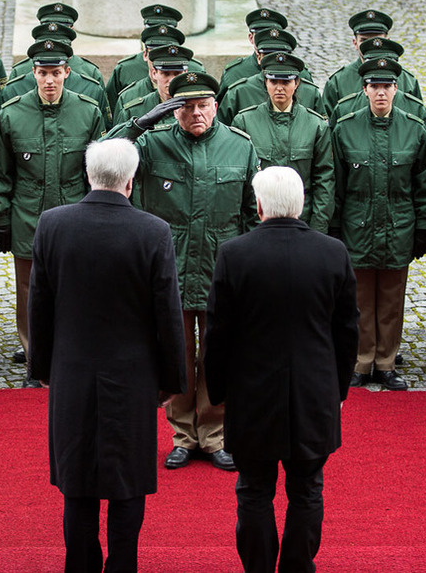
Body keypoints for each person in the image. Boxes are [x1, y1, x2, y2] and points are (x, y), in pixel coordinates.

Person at [29, 138, 186, 573]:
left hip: (72, 372)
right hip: (133, 377)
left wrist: (41, 368)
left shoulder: (52, 224)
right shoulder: (154, 231)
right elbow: (167, 315)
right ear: (131, 181)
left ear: (89, 174)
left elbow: (38, 304)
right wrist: (172, 380)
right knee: (127, 483)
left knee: (77, 486)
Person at [204, 166, 359, 573]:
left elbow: (217, 333)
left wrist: (217, 392)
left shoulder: (234, 254)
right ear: (302, 202)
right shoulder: (333, 252)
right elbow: (347, 334)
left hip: (253, 395)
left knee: (254, 489)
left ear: (258, 206)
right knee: (307, 488)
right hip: (314, 394)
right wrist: (338, 391)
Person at [119, 71, 259, 472]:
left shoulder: (240, 146)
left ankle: (214, 434)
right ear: (175, 110)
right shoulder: (153, 143)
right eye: (187, 108)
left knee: (218, 356)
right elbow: (104, 156)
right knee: (177, 355)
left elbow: (251, 216)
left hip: (221, 271)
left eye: (203, 106)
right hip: (170, 270)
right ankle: (182, 434)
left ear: (216, 106)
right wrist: (139, 123)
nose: (196, 114)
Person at [0, 39, 104, 386]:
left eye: (56, 73)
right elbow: (2, 174)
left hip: (74, 213)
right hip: (28, 214)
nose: (50, 80)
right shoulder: (11, 114)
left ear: (67, 72)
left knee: (74, 287)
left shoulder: (88, 112)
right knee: (28, 289)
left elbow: (95, 174)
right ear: (33, 74)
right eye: (43, 73)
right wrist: (1, 221)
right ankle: (34, 359)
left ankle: (69, 355)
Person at [331, 58, 426, 391]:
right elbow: (338, 185)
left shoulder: (414, 129)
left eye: (386, 86)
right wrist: (335, 229)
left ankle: (386, 362)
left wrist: (422, 229)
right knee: (359, 299)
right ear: (364, 90)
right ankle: (361, 361)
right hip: (357, 226)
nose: (380, 93)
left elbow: (424, 184)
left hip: (398, 224)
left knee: (391, 299)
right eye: (374, 87)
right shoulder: (344, 127)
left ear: (396, 89)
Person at [230, 52, 334, 233]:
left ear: (296, 83)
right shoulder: (245, 121)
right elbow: (237, 182)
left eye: (285, 82)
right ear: (265, 83)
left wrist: (317, 230)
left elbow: (324, 180)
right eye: (273, 82)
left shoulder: (315, 126)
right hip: (257, 224)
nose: (279, 88)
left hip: (302, 223)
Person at [320, 9, 423, 118]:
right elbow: (329, 127)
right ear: (355, 43)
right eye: (364, 41)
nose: (371, 45)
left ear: (387, 40)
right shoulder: (338, 81)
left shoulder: (408, 81)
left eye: (376, 40)